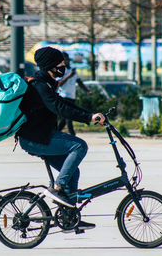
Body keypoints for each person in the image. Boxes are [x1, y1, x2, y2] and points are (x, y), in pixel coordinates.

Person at [16, 46, 105, 230]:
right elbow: (60, 108)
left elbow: (63, 103)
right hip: (35, 138)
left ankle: (69, 217)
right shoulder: (39, 85)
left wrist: (90, 114)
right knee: (79, 146)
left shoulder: (47, 83)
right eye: (60, 64)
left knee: (74, 172)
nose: (63, 66)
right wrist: (88, 118)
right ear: (49, 65)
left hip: (41, 136)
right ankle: (58, 187)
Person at [56, 52, 92, 136]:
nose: (66, 61)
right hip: (63, 97)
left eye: (67, 59)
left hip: (72, 97)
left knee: (65, 119)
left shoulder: (73, 70)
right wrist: (69, 76)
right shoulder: (61, 71)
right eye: (64, 60)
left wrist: (87, 90)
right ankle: (73, 135)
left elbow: (79, 82)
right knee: (69, 118)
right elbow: (59, 84)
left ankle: (56, 133)